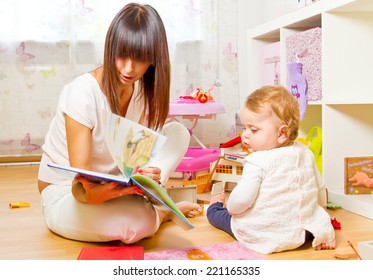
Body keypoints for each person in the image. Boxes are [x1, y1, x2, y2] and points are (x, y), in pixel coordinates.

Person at [37, 3, 202, 243]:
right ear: (110, 48)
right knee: (132, 223)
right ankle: (161, 213)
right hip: (67, 193)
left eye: (141, 58)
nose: (128, 68)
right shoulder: (82, 93)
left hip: (114, 184)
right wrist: (118, 192)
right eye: (122, 55)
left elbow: (134, 149)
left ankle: (154, 193)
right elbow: (81, 188)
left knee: (178, 132)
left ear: (154, 59)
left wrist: (148, 173)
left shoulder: (141, 89)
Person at [207, 85, 336, 254]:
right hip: (302, 233)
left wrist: (229, 207)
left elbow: (240, 202)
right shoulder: (305, 152)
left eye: (253, 129)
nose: (245, 135)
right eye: (245, 128)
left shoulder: (257, 160)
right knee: (312, 217)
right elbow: (320, 189)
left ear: (282, 133)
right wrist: (320, 217)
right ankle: (323, 233)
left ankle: (215, 203)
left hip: (264, 233)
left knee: (218, 215)